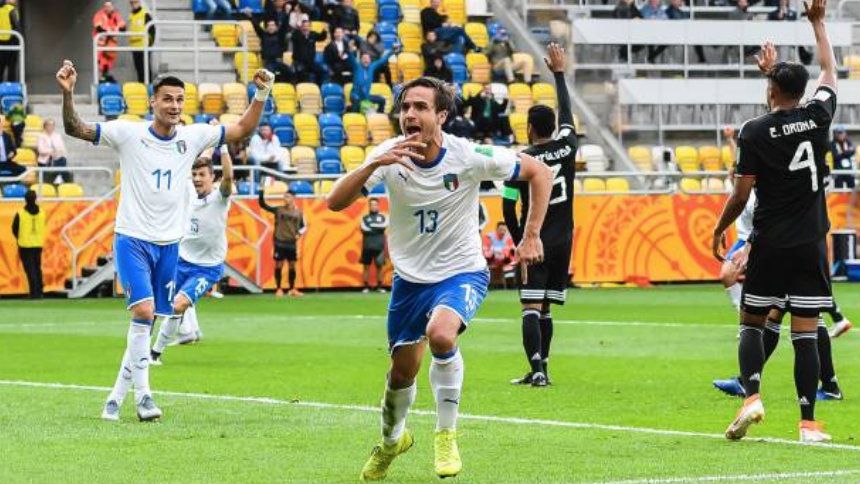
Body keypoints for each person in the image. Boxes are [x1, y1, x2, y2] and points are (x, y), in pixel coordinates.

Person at [326, 76, 551, 480]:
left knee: (443, 335)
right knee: (401, 374)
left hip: (461, 271)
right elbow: (335, 202)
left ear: (441, 116)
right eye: (405, 108)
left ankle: (446, 434)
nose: (409, 114)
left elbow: (539, 172)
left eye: (420, 107)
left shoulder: (468, 156)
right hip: (410, 281)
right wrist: (375, 164)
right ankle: (392, 441)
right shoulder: (387, 155)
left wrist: (531, 234)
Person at [57, 58, 272, 423]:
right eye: (167, 99)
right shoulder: (128, 133)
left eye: (179, 100)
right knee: (143, 312)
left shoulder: (193, 136)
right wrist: (68, 95)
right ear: (152, 103)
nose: (174, 105)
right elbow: (76, 128)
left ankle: (116, 396)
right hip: (133, 239)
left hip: (169, 245)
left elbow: (241, 129)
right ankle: (144, 397)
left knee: (151, 321)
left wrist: (262, 93)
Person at [710, 0, 837, 443]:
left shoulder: (753, 131)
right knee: (806, 332)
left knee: (753, 321)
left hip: (769, 241)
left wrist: (718, 227)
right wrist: (817, 24)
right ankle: (807, 424)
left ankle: (753, 398)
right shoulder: (818, 116)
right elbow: (828, 72)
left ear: (770, 90)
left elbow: (741, 192)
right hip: (809, 243)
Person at [503, 43, 577, 387]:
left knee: (530, 306)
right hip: (564, 237)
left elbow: (507, 204)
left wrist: (521, 238)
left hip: (537, 238)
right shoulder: (567, 145)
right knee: (545, 308)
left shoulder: (523, 159)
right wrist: (559, 74)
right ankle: (542, 367)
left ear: (531, 128)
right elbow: (567, 114)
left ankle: (536, 370)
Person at [150, 143, 234, 362]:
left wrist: (222, 145)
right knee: (153, 304)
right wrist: (208, 143)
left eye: (202, 175)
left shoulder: (220, 197)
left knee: (178, 305)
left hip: (207, 268)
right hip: (181, 259)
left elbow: (228, 177)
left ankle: (155, 353)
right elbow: (201, 160)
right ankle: (139, 351)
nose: (197, 178)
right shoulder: (188, 188)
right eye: (194, 174)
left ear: (212, 177)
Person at [259, 189, 307, 297]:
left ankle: (292, 289)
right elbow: (263, 205)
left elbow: (304, 227)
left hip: (291, 243)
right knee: (279, 265)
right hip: (279, 242)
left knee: (292, 266)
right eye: (284, 197)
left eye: (288, 197)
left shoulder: (299, 213)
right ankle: (279, 289)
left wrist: (298, 234)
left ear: (294, 198)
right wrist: (261, 192)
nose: (285, 199)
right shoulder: (279, 210)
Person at [11, 189, 45, 299]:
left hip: (25, 245)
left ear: (25, 200)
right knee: (37, 268)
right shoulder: (42, 212)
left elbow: (14, 229)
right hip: (38, 244)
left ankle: (34, 293)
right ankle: (40, 291)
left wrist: (19, 238)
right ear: (35, 199)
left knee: (30, 270)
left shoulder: (20, 214)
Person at [244, 9, 293, 83]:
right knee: (270, 73)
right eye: (269, 25)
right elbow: (256, 26)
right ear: (266, 28)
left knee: (290, 71)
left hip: (278, 62)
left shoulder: (280, 36)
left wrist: (287, 13)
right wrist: (250, 17)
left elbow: (284, 25)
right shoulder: (263, 35)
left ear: (276, 27)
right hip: (268, 63)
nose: (271, 27)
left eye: (273, 25)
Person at [348, 42, 394, 113]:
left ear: (370, 60)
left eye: (367, 59)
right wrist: (350, 51)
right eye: (364, 58)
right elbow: (351, 59)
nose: (366, 60)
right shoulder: (357, 67)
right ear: (360, 60)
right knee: (357, 102)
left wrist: (392, 51)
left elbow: (382, 60)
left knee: (382, 100)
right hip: (355, 96)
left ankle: (379, 117)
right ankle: (354, 117)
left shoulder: (372, 67)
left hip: (366, 96)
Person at [92, 1, 127, 82]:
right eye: (106, 6)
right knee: (102, 63)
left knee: (109, 63)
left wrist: (115, 30)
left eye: (110, 6)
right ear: (104, 7)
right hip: (101, 44)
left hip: (111, 44)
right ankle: (102, 78)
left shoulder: (116, 15)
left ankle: (106, 77)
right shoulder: (99, 15)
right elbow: (98, 28)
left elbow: (123, 28)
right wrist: (110, 32)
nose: (108, 8)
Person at [360, 197, 388, 293]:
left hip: (379, 246)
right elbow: (364, 228)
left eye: (375, 204)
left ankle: (380, 286)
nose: (374, 206)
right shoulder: (364, 218)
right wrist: (377, 228)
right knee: (366, 266)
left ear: (378, 205)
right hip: (367, 246)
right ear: (369, 206)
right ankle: (366, 286)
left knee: (379, 267)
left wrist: (371, 226)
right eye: (372, 204)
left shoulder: (383, 217)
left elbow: (384, 226)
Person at [291, 17, 328, 83]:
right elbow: (293, 37)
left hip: (310, 62)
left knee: (323, 71)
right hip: (299, 62)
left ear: (310, 27)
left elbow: (322, 37)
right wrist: (297, 29)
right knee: (302, 73)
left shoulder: (313, 34)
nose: (306, 28)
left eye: (308, 26)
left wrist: (324, 30)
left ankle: (318, 86)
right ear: (301, 27)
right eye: (304, 26)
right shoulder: (296, 35)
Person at [128, 0, 155, 84]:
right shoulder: (131, 15)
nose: (133, 5)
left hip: (144, 46)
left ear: (139, 2)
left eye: (135, 2)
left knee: (146, 69)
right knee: (138, 69)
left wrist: (149, 44)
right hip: (134, 47)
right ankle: (141, 88)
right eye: (131, 3)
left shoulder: (145, 14)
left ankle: (148, 87)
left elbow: (152, 30)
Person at [36, 119, 70, 184]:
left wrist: (57, 153)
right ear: (45, 126)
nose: (50, 127)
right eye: (49, 125)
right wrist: (51, 152)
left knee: (62, 159)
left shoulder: (57, 136)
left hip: (57, 158)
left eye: (52, 125)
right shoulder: (41, 136)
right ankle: (58, 177)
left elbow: (62, 149)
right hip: (45, 160)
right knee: (62, 167)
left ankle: (58, 177)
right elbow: (41, 150)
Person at [483, 221, 516, 287]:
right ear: (496, 229)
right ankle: (494, 285)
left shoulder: (508, 238)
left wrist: (504, 254)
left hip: (505, 260)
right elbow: (485, 250)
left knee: (511, 263)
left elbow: (512, 249)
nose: (502, 232)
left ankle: (510, 285)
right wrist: (494, 253)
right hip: (492, 260)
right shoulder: (488, 237)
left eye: (504, 230)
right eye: (501, 230)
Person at [0, 0, 20, 82]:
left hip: (1, 43)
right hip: (12, 43)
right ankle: (11, 90)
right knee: (12, 69)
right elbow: (17, 27)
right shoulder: (11, 9)